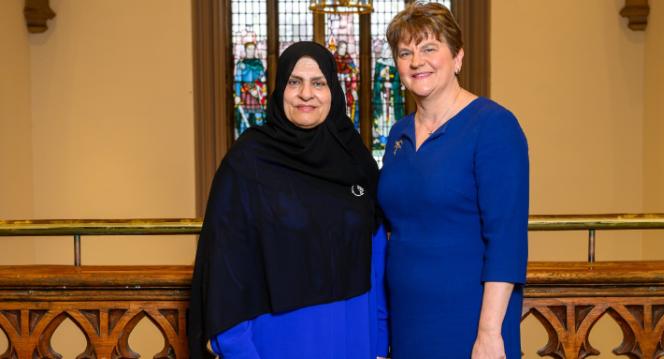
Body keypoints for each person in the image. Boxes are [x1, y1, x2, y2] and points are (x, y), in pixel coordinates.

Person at [189, 42, 388, 359]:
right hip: (280, 339)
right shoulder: (247, 163)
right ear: (280, 88)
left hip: (352, 335)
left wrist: (379, 339)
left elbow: (374, 250)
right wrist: (237, 347)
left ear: (334, 91)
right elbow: (226, 264)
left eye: (318, 83)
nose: (306, 93)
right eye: (295, 82)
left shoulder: (355, 160)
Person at [378, 3, 529, 358]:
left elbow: (506, 240)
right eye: (405, 52)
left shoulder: (493, 126)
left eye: (429, 48)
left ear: (457, 57)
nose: (417, 61)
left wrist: (490, 332)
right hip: (408, 319)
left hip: (470, 320)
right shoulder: (398, 134)